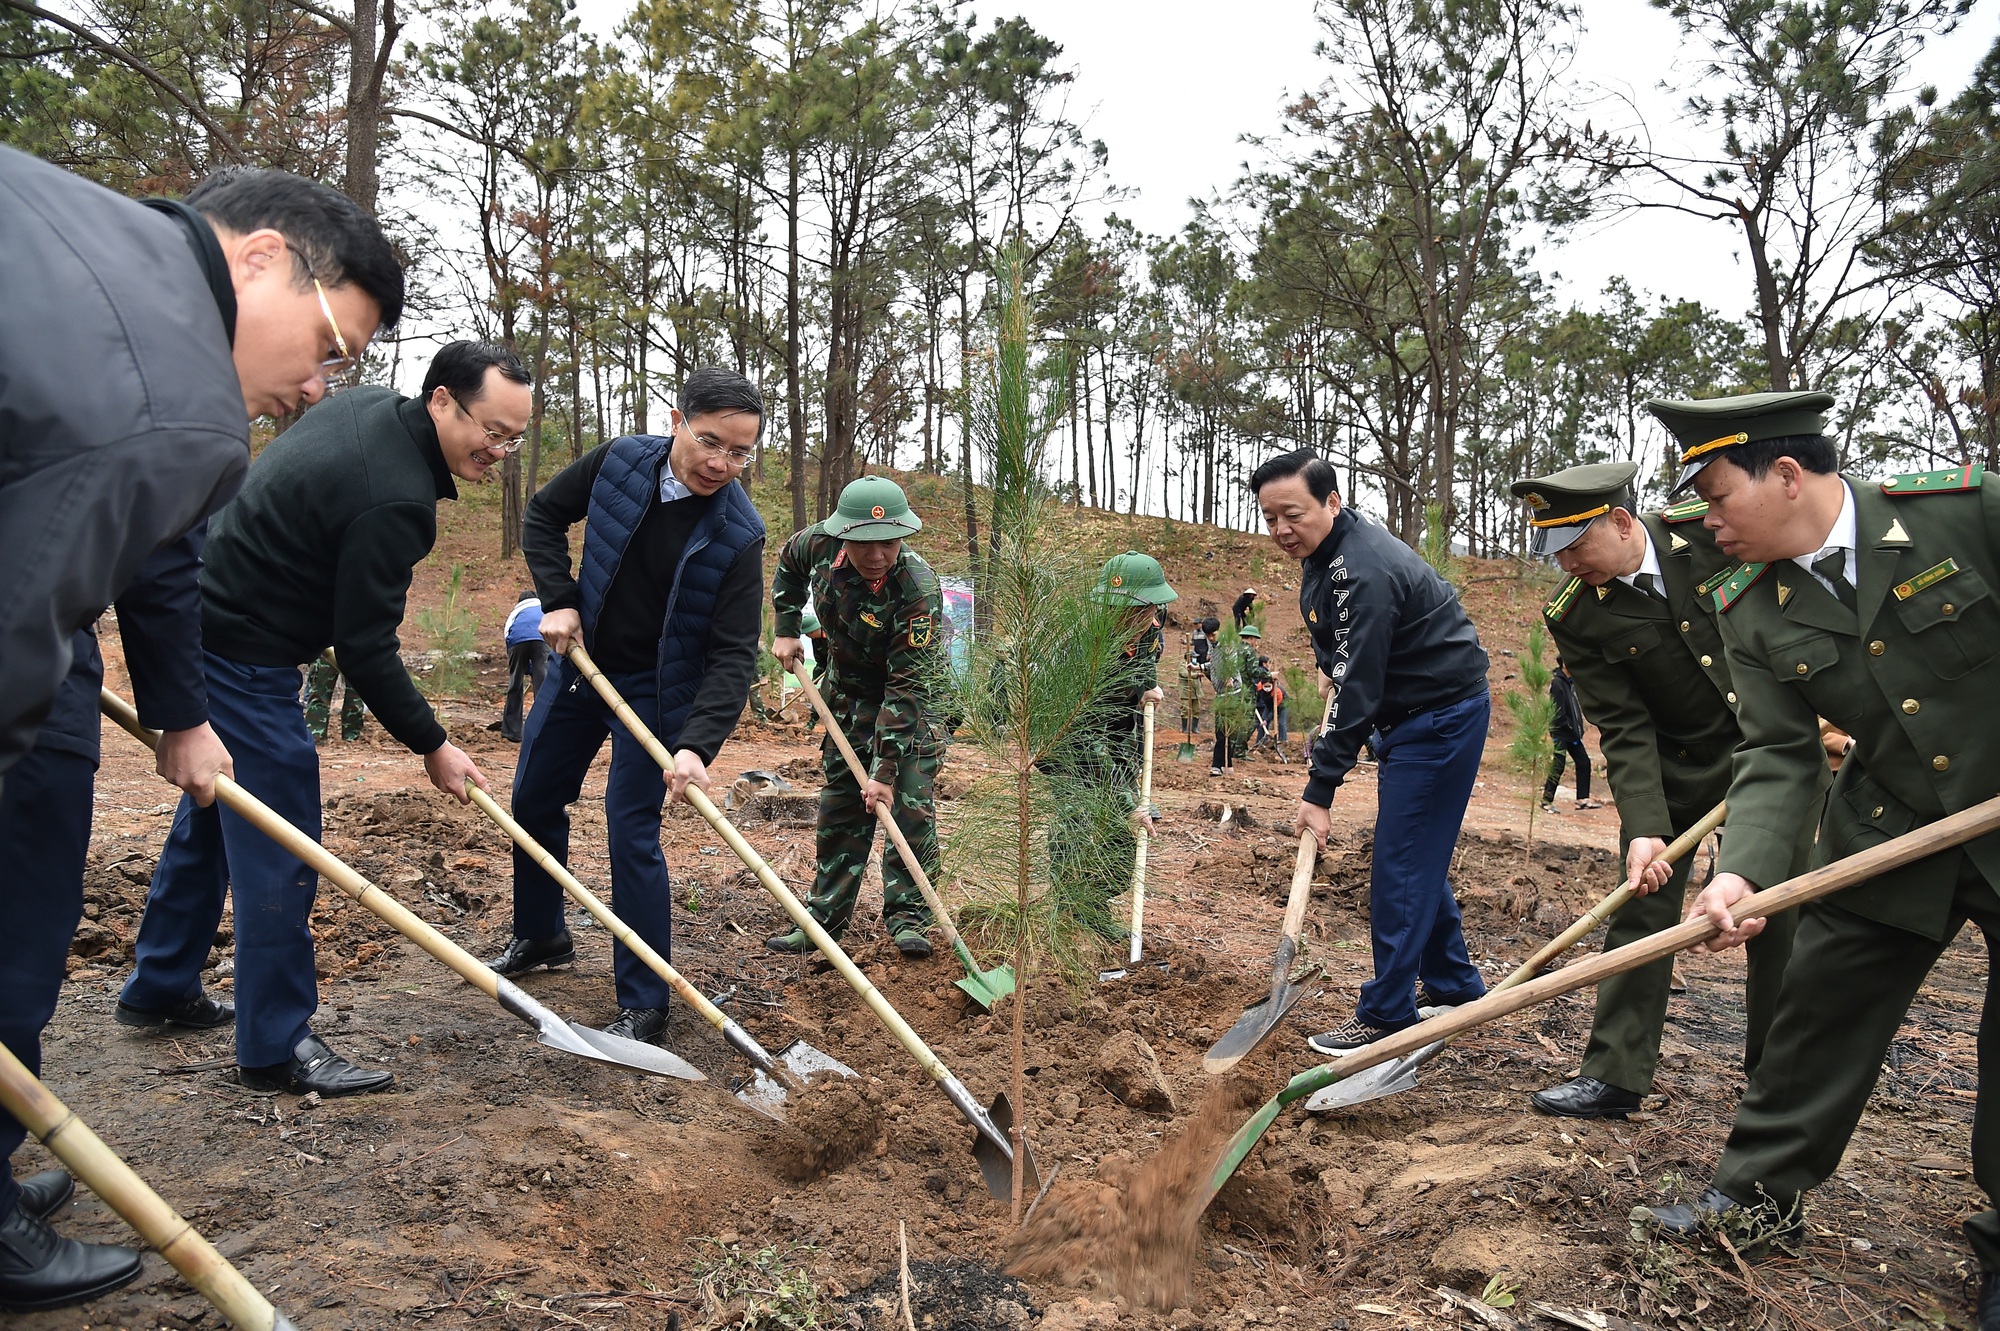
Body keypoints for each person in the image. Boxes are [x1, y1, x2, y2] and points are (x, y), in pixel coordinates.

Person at [0, 153, 401, 1313]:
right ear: (262, 256)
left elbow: (157, 554)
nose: (323, 385)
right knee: (18, 911)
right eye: (332, 348)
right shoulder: (174, 401)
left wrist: (181, 715)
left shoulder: (77, 219)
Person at [1636, 392, 2000, 1327]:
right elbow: (1776, 753)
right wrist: (1741, 870)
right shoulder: (1749, 604)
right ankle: (1757, 1197)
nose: (1705, 523)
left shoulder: (1967, 512)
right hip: (1888, 825)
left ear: (1787, 476)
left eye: (1717, 497)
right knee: (1818, 1002)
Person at [120, 339, 512, 1100]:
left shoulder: (370, 408)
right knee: (281, 842)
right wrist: (433, 743)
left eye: (513, 437)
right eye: (489, 430)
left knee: (215, 810)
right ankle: (274, 1044)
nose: (498, 450)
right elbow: (365, 647)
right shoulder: (396, 494)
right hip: (242, 652)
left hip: (212, 616)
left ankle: (161, 981)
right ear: (440, 400)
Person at [1509, 460, 1805, 1122]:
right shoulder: (1577, 614)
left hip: (1775, 747)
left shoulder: (1711, 533)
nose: (1567, 565)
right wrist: (1645, 825)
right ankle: (1613, 1072)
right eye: (1554, 553)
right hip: (1674, 767)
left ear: (1619, 522)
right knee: (1642, 904)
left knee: (1781, 911)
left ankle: (1779, 1078)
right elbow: (1623, 724)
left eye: (1575, 547)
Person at [490, 368, 767, 1045]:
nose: (721, 464)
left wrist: (696, 746)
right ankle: (542, 931)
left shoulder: (739, 533)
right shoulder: (619, 461)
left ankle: (646, 999)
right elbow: (545, 514)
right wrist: (557, 599)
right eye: (710, 442)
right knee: (532, 797)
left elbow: (734, 655)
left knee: (629, 829)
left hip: (656, 691)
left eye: (739, 452)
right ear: (676, 419)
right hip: (584, 664)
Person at [1251, 448, 1493, 1052]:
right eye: (1270, 517)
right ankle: (1454, 983)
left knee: (1401, 864)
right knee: (1415, 853)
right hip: (1408, 713)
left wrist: (1320, 790)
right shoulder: (1327, 551)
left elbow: (1360, 684)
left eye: (1293, 515)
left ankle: (1388, 1015)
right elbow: (1347, 667)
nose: (1282, 530)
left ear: (1332, 501)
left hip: (1437, 719)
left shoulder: (1363, 570)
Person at [768, 476, 944, 958]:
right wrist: (786, 627)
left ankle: (909, 919)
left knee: (906, 807)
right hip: (845, 696)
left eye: (888, 543)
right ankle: (821, 922)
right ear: (844, 536)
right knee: (843, 806)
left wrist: (884, 771)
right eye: (865, 543)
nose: (877, 555)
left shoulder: (918, 591)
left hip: (911, 703)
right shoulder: (818, 544)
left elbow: (906, 686)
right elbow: (787, 564)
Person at [1046, 552, 1175, 936]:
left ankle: (1089, 904)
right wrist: (1126, 800)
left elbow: (1139, 676)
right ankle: (1068, 912)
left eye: (1155, 609)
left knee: (1126, 841)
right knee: (1078, 820)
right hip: (1068, 744)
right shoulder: (1082, 650)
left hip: (1117, 740)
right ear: (1113, 610)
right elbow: (1083, 736)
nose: (1153, 620)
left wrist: (1144, 687)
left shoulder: (1150, 630)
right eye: (1142, 612)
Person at [1541, 656, 1596, 812]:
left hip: (1572, 734)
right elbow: (1558, 711)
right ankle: (1546, 800)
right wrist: (1569, 728)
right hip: (1562, 733)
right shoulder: (1558, 683)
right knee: (1558, 765)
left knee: (1584, 763)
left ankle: (1582, 799)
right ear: (1565, 664)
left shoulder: (1570, 684)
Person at [501, 589, 548, 742]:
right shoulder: (542, 606)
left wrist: (520, 667)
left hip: (517, 641)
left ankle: (512, 732)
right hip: (542, 639)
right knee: (543, 686)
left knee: (515, 684)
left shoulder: (516, 611)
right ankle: (543, 729)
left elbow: (508, 634)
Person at [305, 654, 366, 742]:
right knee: (319, 694)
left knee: (355, 696)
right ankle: (315, 737)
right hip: (326, 647)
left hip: (356, 647)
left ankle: (352, 737)